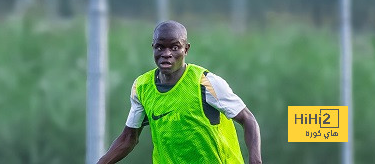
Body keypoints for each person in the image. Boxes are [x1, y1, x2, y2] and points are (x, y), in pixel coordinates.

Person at [97, 21, 262, 164]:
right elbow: (128, 138)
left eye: (175, 47)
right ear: (153, 47)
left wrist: (255, 160)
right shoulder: (142, 87)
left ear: (186, 49)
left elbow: (248, 120)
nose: (166, 54)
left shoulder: (205, 82)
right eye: (160, 47)